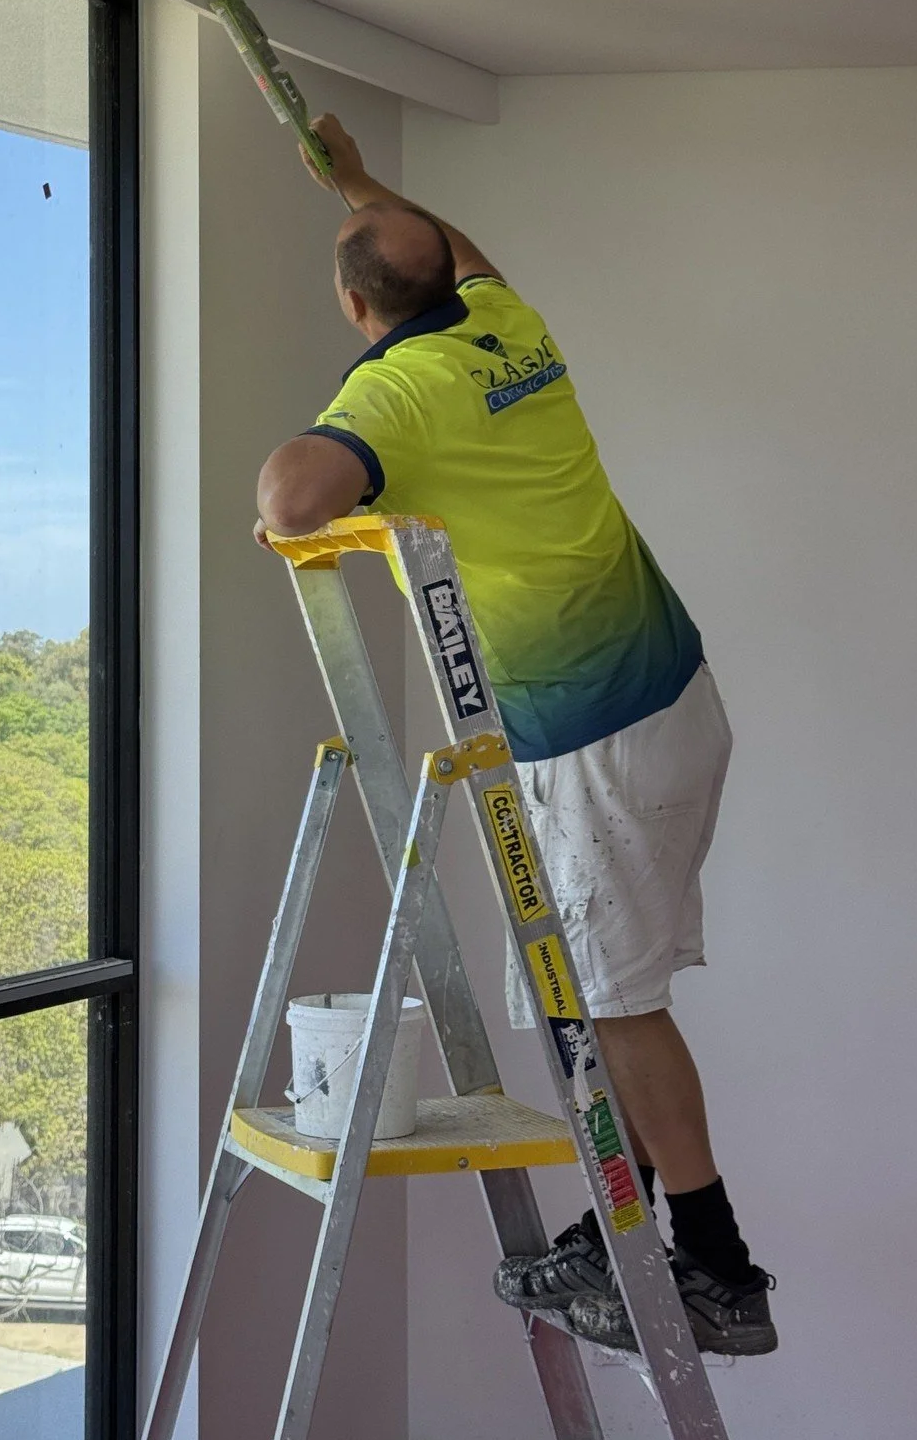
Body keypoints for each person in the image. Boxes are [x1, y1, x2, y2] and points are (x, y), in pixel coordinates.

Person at [253, 115, 775, 1359]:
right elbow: (465, 252)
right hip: (669, 697)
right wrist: (357, 181)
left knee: (610, 1007)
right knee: (581, 996)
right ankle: (618, 1226)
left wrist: (304, 476)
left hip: (592, 738)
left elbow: (289, 498)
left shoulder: (395, 390)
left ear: (353, 305)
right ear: (446, 274)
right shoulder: (504, 324)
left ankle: (715, 1267)